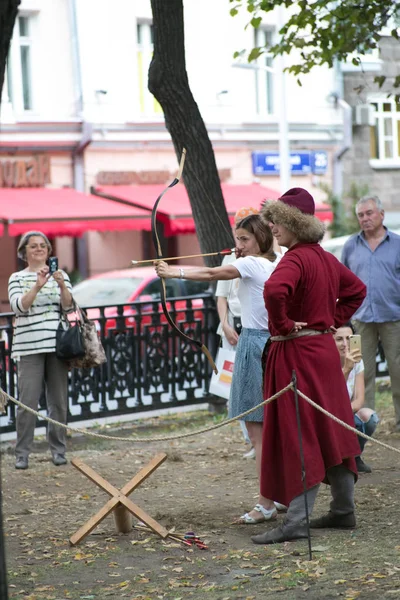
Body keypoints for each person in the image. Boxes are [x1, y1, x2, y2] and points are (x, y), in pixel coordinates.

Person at [251, 187, 366, 545]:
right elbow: (356, 290)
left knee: (300, 433)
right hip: (323, 354)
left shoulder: (295, 259)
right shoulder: (325, 258)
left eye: (279, 221)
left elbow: (273, 292)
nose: (272, 227)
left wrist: (284, 326)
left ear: (294, 224)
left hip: (297, 356)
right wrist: (331, 320)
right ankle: (343, 511)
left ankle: (297, 521)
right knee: (333, 428)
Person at [155, 214, 283, 523]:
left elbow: (213, 273)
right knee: (267, 429)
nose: (238, 245)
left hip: (254, 344)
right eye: (237, 238)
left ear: (262, 240)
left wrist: (172, 271)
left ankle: (266, 503)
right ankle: (279, 497)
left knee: (257, 430)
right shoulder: (271, 264)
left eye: (245, 239)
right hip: (267, 343)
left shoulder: (253, 264)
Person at [8, 231, 73, 470]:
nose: (39, 249)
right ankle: (22, 453)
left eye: (43, 246)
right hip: (29, 346)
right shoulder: (16, 278)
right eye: (33, 246)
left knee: (58, 402)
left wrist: (60, 284)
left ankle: (58, 450)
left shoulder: (61, 275)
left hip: (57, 346)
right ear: (24, 252)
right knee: (27, 402)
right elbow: (19, 307)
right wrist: (37, 285)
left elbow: (68, 306)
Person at [341, 195, 400, 431]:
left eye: (369, 213)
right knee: (360, 370)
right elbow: (342, 282)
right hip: (358, 320)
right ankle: (365, 421)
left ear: (381, 215)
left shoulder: (397, 243)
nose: (365, 219)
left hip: (394, 317)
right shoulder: (350, 246)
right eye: (360, 215)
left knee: (398, 370)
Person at [215, 206, 259, 459]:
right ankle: (249, 439)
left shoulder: (263, 259)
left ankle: (259, 438)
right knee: (235, 388)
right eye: (237, 230)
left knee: (255, 385)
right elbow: (221, 297)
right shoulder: (229, 259)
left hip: (253, 326)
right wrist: (226, 325)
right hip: (232, 327)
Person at [333, 323, 379, 474]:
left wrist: (345, 413)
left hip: (347, 410)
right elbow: (330, 399)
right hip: (328, 413)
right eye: (339, 339)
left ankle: (355, 456)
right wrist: (346, 369)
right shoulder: (325, 363)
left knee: (369, 417)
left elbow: (359, 400)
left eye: (349, 338)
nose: (345, 344)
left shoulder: (357, 361)